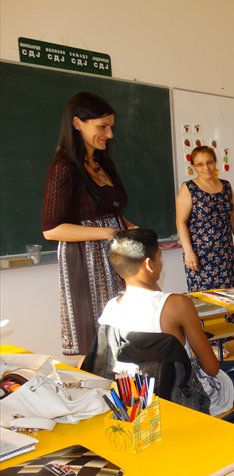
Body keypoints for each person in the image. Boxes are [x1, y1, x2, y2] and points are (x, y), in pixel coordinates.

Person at [97, 228, 234, 460]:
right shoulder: (177, 305)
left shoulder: (111, 308)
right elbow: (212, 368)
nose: (162, 263)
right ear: (149, 264)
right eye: (159, 257)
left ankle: (231, 436)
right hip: (193, 400)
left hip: (146, 405)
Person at [42, 92, 137, 357]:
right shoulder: (64, 167)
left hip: (114, 256)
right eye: (102, 127)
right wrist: (108, 232)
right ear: (77, 123)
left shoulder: (101, 163)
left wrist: (128, 226)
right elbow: (51, 229)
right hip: (87, 261)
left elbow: (107, 211)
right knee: (96, 344)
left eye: (111, 127)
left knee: (121, 337)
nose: (110, 134)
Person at [176, 145, 234, 357]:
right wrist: (189, 252)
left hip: (225, 251)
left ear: (215, 162)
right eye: (200, 164)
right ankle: (211, 342)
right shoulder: (188, 188)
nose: (206, 168)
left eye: (209, 162)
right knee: (205, 300)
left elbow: (233, 216)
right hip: (200, 254)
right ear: (193, 166)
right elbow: (181, 222)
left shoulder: (225, 186)